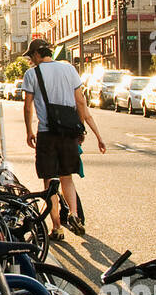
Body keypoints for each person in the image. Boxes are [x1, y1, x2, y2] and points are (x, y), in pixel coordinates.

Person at [21, 39, 105, 241]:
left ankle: (57, 226)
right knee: (67, 176)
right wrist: (94, 133)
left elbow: (27, 106)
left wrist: (28, 131)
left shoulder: (32, 74)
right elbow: (80, 101)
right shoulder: (69, 70)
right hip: (68, 132)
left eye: (31, 56)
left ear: (36, 54)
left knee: (49, 180)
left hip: (47, 132)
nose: (31, 61)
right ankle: (75, 215)